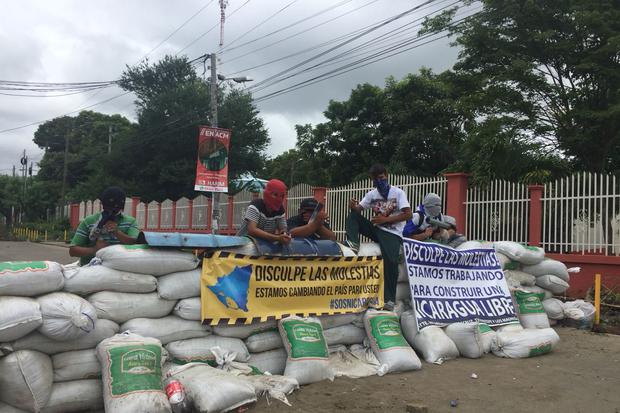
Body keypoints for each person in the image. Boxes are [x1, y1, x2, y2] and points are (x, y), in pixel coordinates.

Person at [346, 164, 412, 309]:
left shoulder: (398, 193)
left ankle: (389, 299)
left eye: (381, 178)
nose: (379, 181)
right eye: (376, 179)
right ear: (372, 180)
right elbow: (359, 209)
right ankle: (353, 243)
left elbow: (408, 214)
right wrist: (353, 206)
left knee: (390, 260)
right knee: (353, 216)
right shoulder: (372, 195)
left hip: (392, 233)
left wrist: (386, 220)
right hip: (376, 228)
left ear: (386, 176)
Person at [69, 186, 140, 266]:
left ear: (121, 207)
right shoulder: (89, 221)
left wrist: (117, 232)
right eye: (109, 207)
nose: (111, 211)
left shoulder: (130, 222)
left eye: (115, 209)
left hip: (120, 267)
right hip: (90, 269)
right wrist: (95, 250)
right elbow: (72, 250)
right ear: (103, 205)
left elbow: (135, 244)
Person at [236, 179, 291, 245]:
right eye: (275, 195)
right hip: (242, 245)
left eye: (282, 196)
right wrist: (276, 238)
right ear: (267, 193)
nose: (279, 199)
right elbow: (252, 230)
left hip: (263, 247)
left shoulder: (280, 210)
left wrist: (284, 235)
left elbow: (283, 228)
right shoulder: (256, 205)